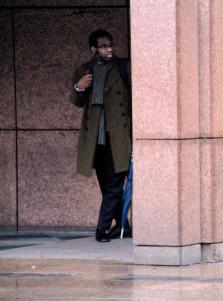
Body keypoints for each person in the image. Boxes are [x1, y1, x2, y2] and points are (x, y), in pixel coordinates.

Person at [70, 29, 132, 242]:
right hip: (96, 139)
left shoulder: (123, 68)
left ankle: (102, 228)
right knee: (108, 187)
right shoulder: (85, 70)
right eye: (104, 46)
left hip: (119, 137)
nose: (109, 49)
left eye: (110, 45)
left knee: (114, 186)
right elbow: (77, 102)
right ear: (93, 49)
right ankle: (124, 225)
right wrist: (79, 87)